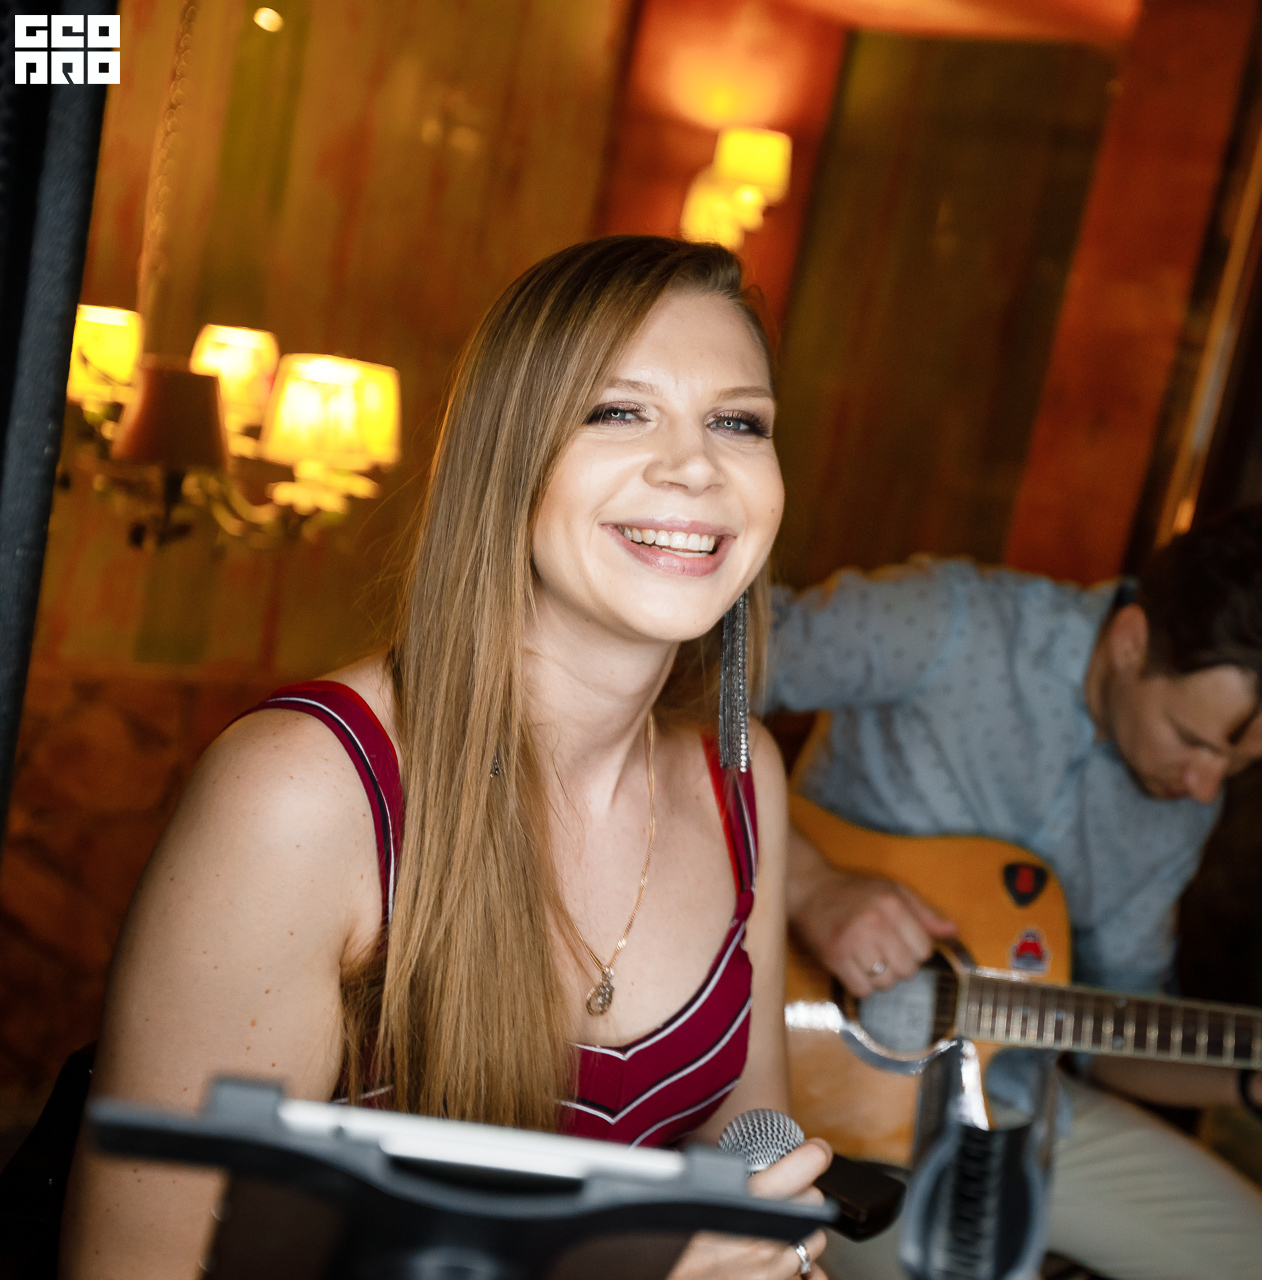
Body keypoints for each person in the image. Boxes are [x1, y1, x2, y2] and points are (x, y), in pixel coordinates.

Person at [62, 237, 831, 1280]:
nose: (695, 465)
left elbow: (753, 1140)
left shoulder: (742, 783)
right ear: (508, 457)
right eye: (617, 411)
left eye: (739, 422)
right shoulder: (304, 794)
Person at [768, 506, 1262, 1280]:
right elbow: (689, 672)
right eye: (1193, 740)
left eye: (1238, 766)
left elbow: (1114, 1040)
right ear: (1132, 640)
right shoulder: (950, 622)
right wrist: (809, 884)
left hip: (1012, 1108)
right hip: (777, 1084)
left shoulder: (1181, 807)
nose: (1206, 788)